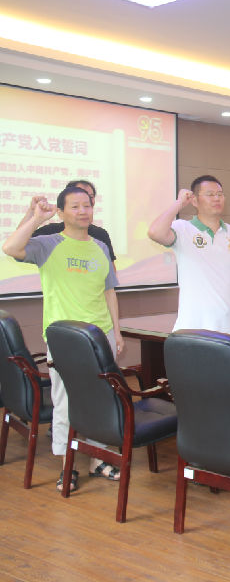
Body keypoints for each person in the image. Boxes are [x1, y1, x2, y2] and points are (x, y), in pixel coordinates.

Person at [3, 186, 124, 493]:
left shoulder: (100, 246)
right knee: (64, 403)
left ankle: (98, 460)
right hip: (65, 340)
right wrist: (35, 218)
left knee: (100, 401)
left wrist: (117, 332)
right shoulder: (48, 244)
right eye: (75, 206)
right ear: (61, 212)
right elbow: (11, 248)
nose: (83, 211)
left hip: (101, 336)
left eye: (87, 205)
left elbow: (109, 291)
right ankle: (67, 465)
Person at [147, 175, 230, 337]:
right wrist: (179, 203)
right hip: (193, 327)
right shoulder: (182, 229)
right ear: (194, 201)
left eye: (220, 194)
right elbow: (155, 232)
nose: (216, 198)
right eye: (210, 194)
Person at [20, 180, 117, 267]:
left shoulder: (100, 234)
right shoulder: (51, 232)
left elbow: (111, 271)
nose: (86, 199)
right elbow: (18, 243)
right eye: (80, 193)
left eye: (90, 196)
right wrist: (32, 212)